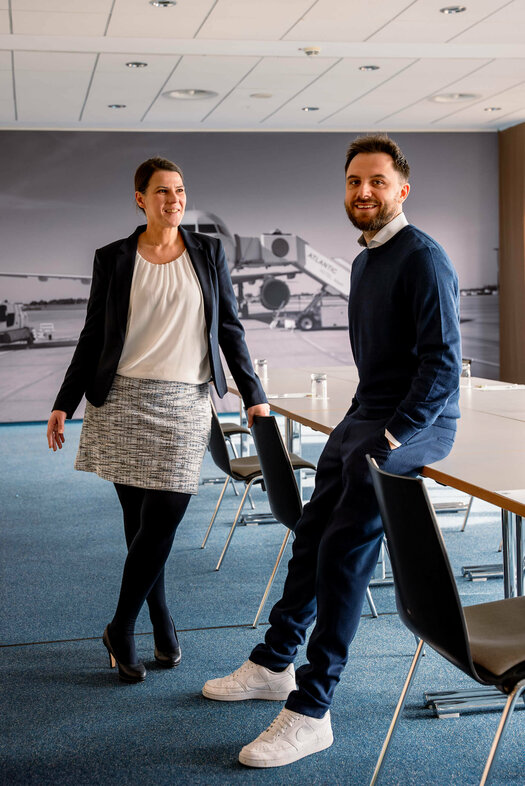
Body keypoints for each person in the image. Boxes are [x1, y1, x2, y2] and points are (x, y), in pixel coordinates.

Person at [202, 135, 462, 767]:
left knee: (346, 544)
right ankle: (274, 663)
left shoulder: (423, 258)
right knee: (312, 530)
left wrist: (393, 436)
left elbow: (441, 365)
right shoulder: (366, 261)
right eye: (353, 182)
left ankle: (313, 710)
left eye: (376, 181)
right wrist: (355, 427)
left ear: (402, 188)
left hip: (416, 423)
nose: (363, 192)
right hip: (367, 415)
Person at [47, 157, 269, 684]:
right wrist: (64, 401)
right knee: (142, 524)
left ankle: (120, 626)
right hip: (121, 400)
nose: (175, 199)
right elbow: (93, 335)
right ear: (140, 199)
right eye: (163, 191)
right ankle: (162, 619)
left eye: (180, 190)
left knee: (166, 511)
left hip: (185, 402)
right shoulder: (115, 258)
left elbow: (230, 330)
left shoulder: (208, 253)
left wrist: (253, 393)